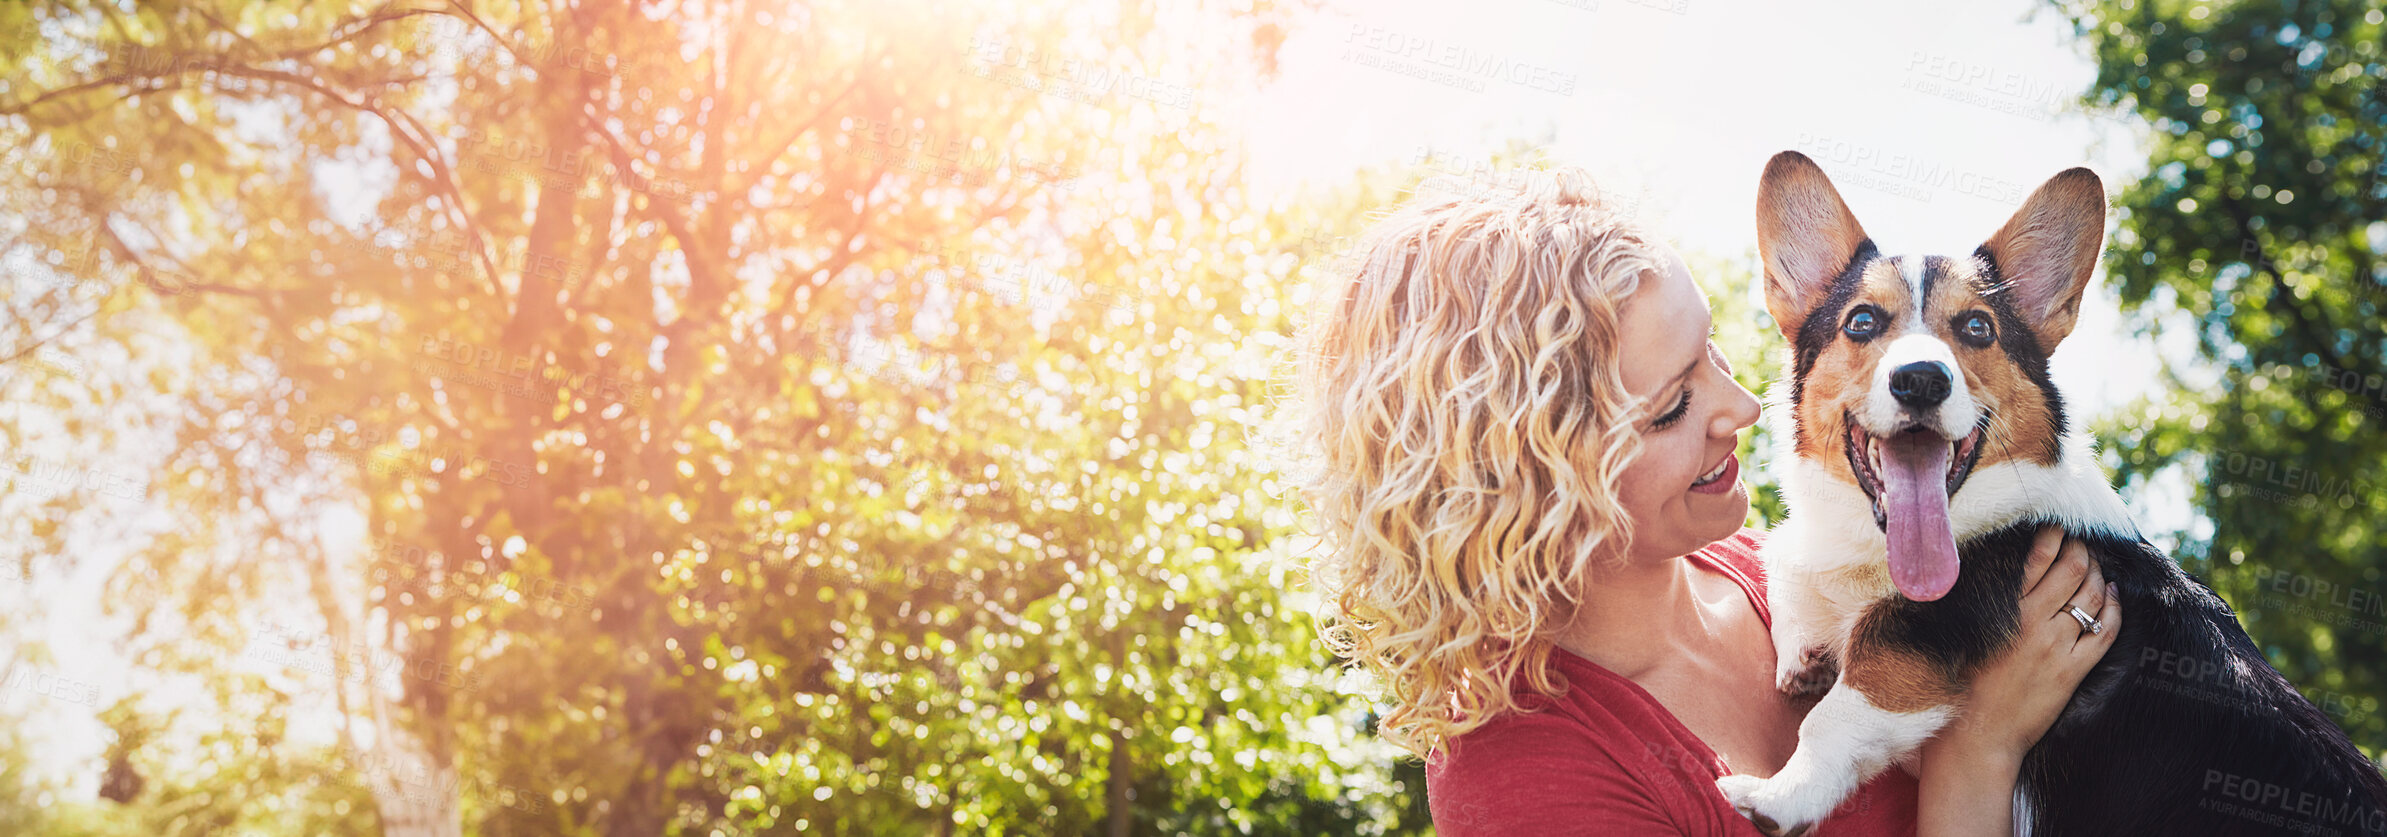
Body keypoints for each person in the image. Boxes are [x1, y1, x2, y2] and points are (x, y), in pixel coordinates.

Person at [1288, 166, 2122, 835]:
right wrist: (1978, 751)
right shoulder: (1524, 776)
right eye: (1672, 407)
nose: (1744, 408)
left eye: (1712, 355)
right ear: (1536, 483)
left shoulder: (1797, 578)